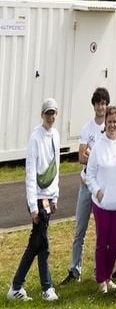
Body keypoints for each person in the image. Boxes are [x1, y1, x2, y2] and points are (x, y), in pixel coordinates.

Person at [8, 98, 62, 302]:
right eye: (48, 113)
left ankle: (21, 286)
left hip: (48, 197)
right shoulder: (35, 138)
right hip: (38, 199)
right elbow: (30, 173)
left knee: (38, 243)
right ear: (42, 115)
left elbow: (56, 167)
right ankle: (37, 287)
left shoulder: (55, 135)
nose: (51, 116)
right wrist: (32, 205)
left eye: (54, 113)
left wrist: (54, 196)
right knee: (40, 244)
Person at [61, 88, 108, 287]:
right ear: (94, 105)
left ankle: (101, 270)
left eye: (104, 103)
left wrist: (93, 155)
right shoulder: (87, 128)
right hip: (86, 185)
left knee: (101, 232)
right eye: (98, 103)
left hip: (103, 188)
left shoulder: (111, 127)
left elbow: (107, 157)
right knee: (79, 229)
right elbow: (81, 157)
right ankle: (75, 270)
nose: (101, 107)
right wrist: (93, 156)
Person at [85, 106, 116, 293]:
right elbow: (90, 174)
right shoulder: (98, 146)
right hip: (102, 203)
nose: (112, 125)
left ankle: (109, 276)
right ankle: (100, 278)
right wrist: (97, 191)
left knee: (114, 242)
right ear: (105, 123)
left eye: (114, 121)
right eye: (109, 122)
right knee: (102, 242)